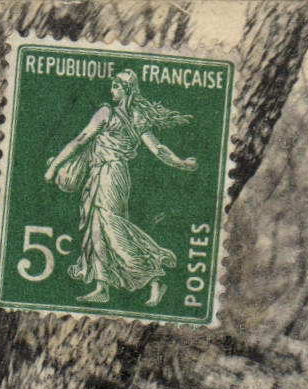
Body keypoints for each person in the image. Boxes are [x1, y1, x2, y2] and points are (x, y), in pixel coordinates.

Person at [43, 69, 197, 307]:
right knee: (97, 228)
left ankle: (155, 277)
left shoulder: (109, 113)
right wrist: (180, 162)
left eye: (116, 86)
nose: (112, 90)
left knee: (113, 229)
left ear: (127, 90)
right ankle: (102, 286)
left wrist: (54, 166)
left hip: (110, 174)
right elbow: (158, 149)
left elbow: (81, 139)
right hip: (104, 174)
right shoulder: (136, 117)